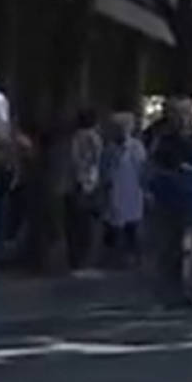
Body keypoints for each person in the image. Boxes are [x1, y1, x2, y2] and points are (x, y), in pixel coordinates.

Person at [146, 97, 192, 309]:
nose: (183, 118)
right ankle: (169, 291)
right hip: (167, 200)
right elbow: (152, 167)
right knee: (168, 248)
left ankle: (187, 288)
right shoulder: (162, 140)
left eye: (187, 112)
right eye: (178, 113)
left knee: (189, 247)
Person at [99, 112, 145, 268]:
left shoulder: (136, 147)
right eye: (117, 128)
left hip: (132, 189)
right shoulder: (109, 149)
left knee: (132, 225)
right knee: (112, 224)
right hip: (114, 190)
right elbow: (104, 170)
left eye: (124, 127)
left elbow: (142, 169)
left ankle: (132, 256)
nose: (121, 131)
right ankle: (112, 256)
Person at [65, 109, 103, 271]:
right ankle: (82, 258)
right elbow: (94, 161)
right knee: (85, 224)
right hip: (87, 182)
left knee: (76, 223)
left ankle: (76, 258)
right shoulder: (92, 138)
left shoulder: (74, 138)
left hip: (76, 182)